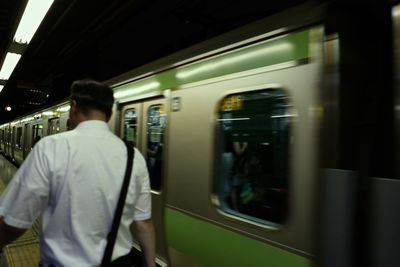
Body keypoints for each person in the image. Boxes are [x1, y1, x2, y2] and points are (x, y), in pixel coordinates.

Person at [0, 79, 156, 267]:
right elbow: (144, 224)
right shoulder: (134, 157)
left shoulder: (50, 147)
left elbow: (17, 218)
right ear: (109, 113)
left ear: (74, 107)